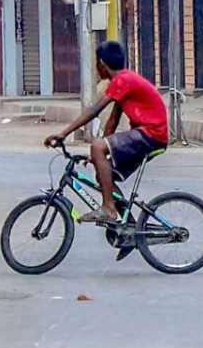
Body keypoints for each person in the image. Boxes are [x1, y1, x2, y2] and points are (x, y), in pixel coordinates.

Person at [43, 41, 169, 223]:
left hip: (151, 134)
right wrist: (99, 154)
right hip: (150, 136)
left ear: (101, 63)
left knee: (98, 147)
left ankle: (108, 209)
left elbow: (95, 110)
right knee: (104, 176)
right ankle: (129, 227)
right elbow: (112, 121)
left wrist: (63, 133)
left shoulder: (122, 79)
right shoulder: (124, 81)